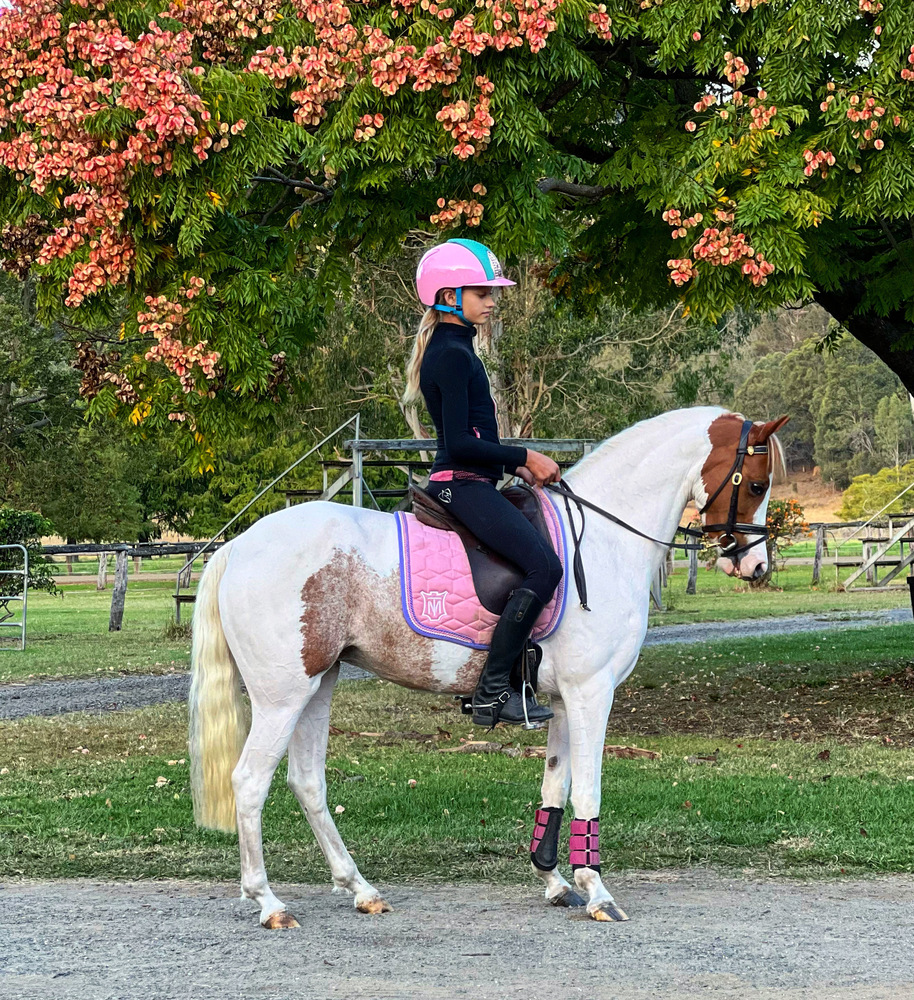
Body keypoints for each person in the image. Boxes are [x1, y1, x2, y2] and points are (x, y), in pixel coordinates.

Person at [403, 238, 564, 727]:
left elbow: (473, 438)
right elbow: (458, 443)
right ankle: (496, 693)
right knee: (544, 568)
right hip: (460, 485)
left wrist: (513, 466)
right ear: (450, 295)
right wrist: (524, 455)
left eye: (493, 292)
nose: (492, 300)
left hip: (475, 480)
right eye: (482, 292)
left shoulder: (457, 349)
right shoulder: (451, 355)